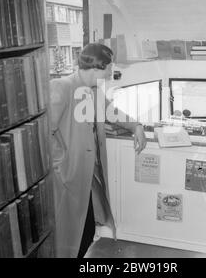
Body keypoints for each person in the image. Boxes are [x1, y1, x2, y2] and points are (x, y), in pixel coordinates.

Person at [50, 43, 147, 258]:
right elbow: (45, 132)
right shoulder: (62, 86)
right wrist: (61, 163)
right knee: (70, 235)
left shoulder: (93, 90)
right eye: (109, 68)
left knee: (87, 231)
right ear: (97, 67)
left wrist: (136, 125)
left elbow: (112, 112)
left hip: (90, 175)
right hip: (69, 175)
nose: (111, 73)